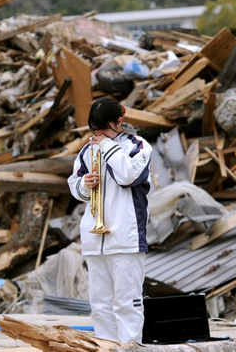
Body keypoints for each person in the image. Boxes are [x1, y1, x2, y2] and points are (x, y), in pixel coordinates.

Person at [67, 97, 152, 343]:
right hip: (95, 238)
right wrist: (84, 185)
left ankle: (130, 347)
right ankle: (106, 346)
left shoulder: (139, 146)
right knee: (100, 303)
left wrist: (105, 145)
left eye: (103, 127)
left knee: (127, 301)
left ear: (119, 122)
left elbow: (127, 176)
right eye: (95, 128)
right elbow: (75, 185)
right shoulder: (87, 150)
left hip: (126, 236)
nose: (98, 133)